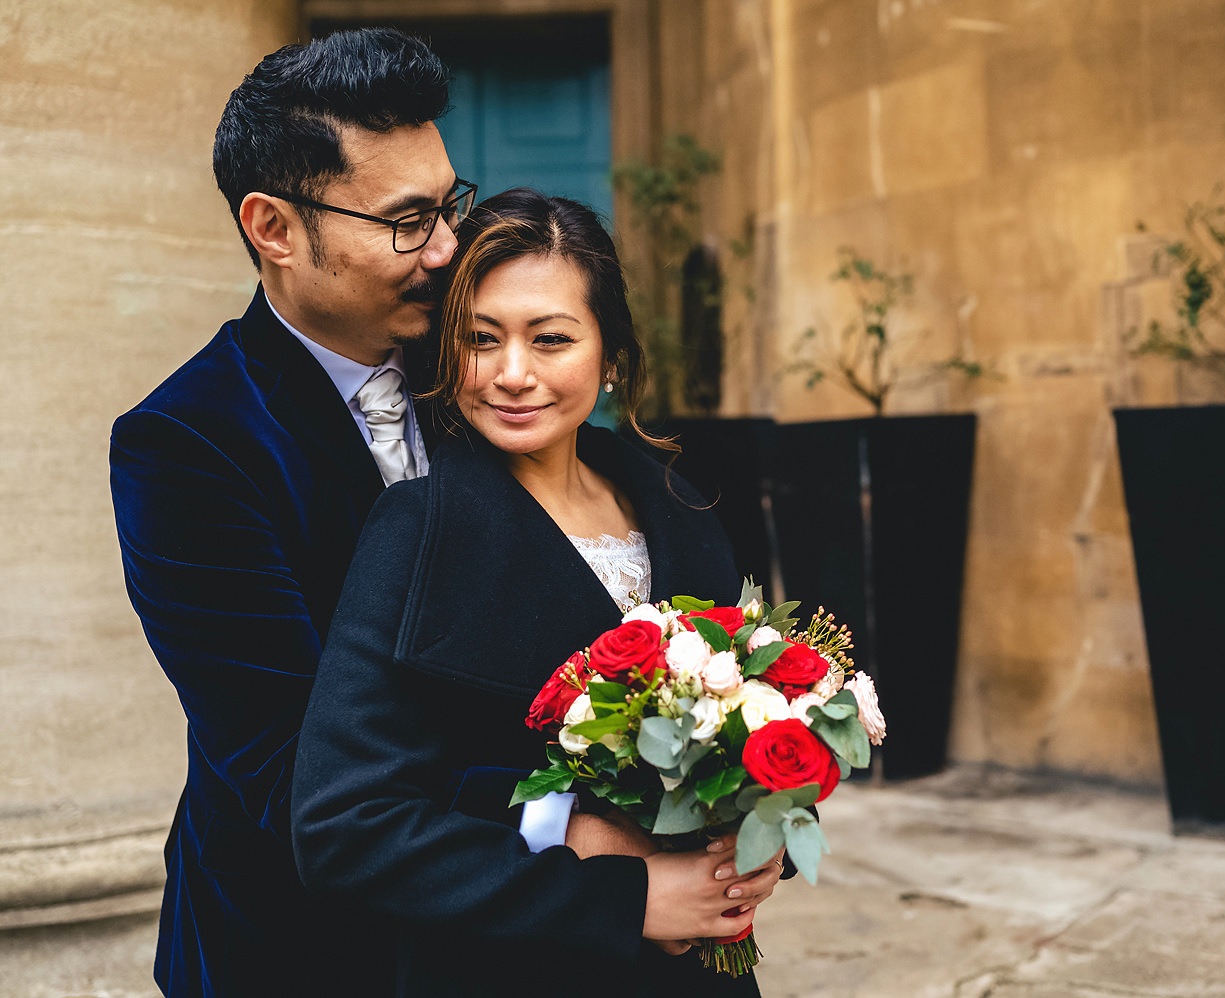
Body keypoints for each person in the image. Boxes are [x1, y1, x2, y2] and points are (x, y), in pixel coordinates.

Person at [290, 189, 785, 995]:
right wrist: (621, 897)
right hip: (513, 968)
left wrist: (763, 836)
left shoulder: (680, 506)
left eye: (551, 339)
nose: (513, 375)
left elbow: (756, 723)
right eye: (481, 340)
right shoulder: (415, 529)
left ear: (611, 354)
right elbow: (344, 826)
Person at [109, 28, 470, 995]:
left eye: (448, 206)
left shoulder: (488, 366)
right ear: (272, 228)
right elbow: (292, 766)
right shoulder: (185, 444)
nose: (446, 248)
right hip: (299, 947)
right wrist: (575, 827)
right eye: (407, 221)